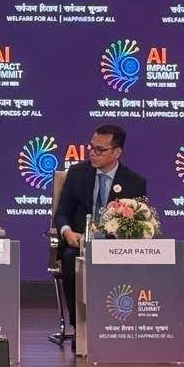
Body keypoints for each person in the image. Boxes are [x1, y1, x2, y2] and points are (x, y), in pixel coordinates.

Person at [52, 124, 148, 328]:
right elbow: (62, 213)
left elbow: (138, 223)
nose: (93, 153)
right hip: (79, 244)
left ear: (117, 152)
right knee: (69, 257)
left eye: (100, 149)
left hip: (115, 247)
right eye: (91, 147)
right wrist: (67, 232)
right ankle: (79, 325)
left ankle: (118, 323)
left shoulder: (134, 182)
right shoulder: (77, 173)